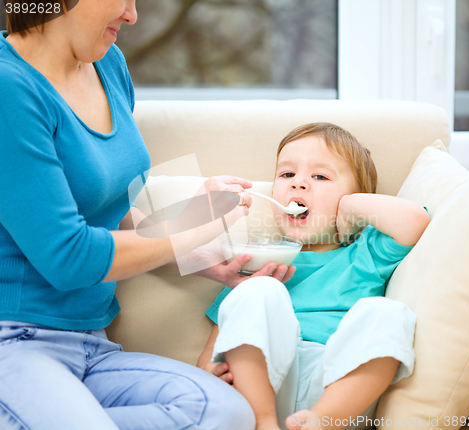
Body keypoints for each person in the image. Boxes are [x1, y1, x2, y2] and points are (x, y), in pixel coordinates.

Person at [0, 1, 296, 429]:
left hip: (90, 346)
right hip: (15, 343)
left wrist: (197, 245)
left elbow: (109, 211)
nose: (132, 15)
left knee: (226, 413)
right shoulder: (10, 89)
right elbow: (68, 258)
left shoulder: (109, 65)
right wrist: (191, 228)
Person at [197, 123, 431, 430]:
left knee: (390, 313)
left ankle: (321, 422)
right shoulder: (255, 266)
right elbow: (212, 352)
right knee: (258, 290)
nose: (298, 184)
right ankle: (262, 422)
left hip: (340, 386)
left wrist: (349, 206)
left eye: (320, 176)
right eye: (287, 175)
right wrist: (210, 371)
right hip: (264, 387)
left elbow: (415, 221)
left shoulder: (366, 253)